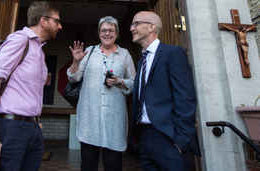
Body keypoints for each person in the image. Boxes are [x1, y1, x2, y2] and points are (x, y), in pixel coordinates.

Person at [0, 1, 62, 171]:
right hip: (10, 128)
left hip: (30, 129)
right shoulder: (20, 40)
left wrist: (36, 122)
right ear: (43, 21)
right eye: (57, 21)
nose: (60, 26)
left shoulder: (38, 48)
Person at [129, 11, 201, 171]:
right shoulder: (141, 61)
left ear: (151, 27)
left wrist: (181, 140)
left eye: (136, 24)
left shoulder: (173, 53)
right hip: (145, 136)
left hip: (168, 137)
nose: (131, 28)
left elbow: (186, 98)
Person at [67, 16, 136, 171]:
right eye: (104, 30)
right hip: (90, 120)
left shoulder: (124, 55)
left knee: (113, 166)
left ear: (117, 33)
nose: (107, 34)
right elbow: (73, 78)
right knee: (88, 165)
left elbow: (134, 83)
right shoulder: (89, 52)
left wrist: (119, 82)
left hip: (114, 121)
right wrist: (76, 63)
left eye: (111, 30)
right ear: (98, 33)